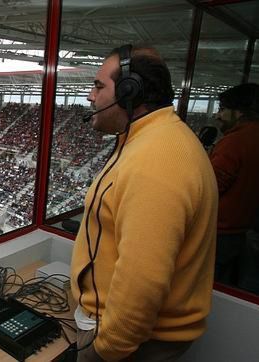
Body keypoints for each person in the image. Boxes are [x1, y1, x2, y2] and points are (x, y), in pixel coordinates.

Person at [71, 45, 218, 362]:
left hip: (128, 343)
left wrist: (108, 348)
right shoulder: (154, 140)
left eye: (98, 86)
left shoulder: (158, 160)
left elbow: (144, 279)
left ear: (129, 91)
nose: (89, 96)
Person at [209, 83, 259, 285]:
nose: (217, 116)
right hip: (243, 231)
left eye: (222, 109)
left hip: (220, 233)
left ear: (238, 112)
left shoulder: (234, 143)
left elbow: (208, 188)